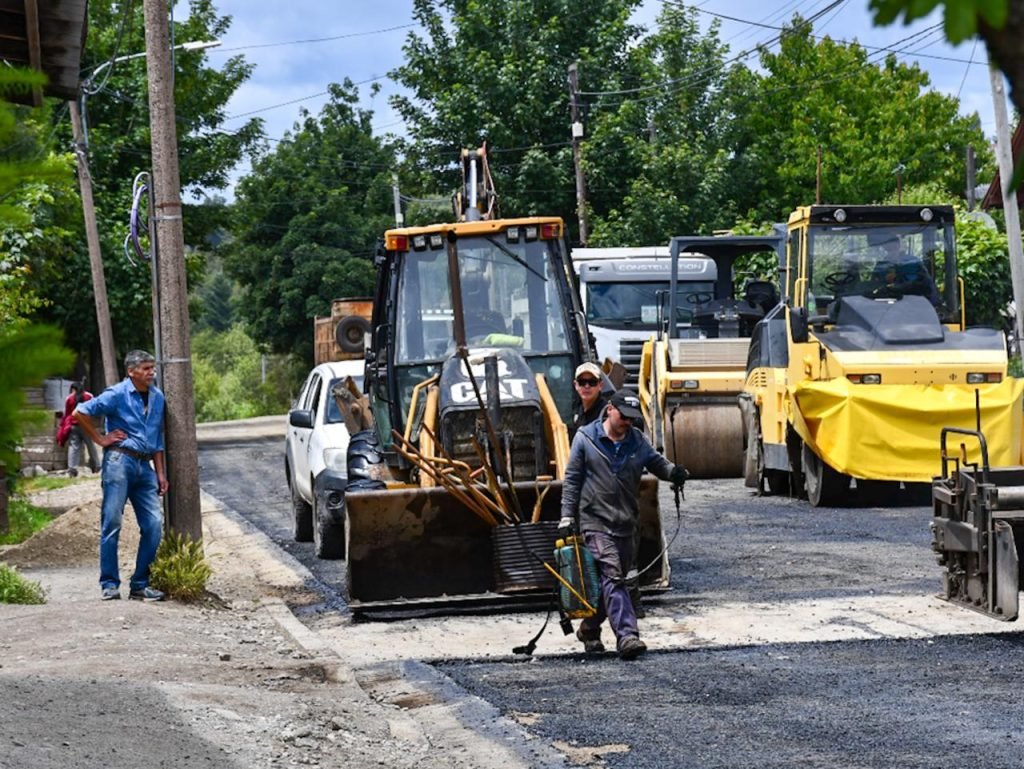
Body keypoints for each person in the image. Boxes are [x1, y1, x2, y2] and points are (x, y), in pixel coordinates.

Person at [559, 390, 689, 660]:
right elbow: (571, 481)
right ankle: (628, 635)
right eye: (623, 417)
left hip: (626, 523)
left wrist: (673, 472)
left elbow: (656, 463)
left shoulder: (637, 442)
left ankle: (589, 629)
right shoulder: (586, 438)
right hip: (594, 520)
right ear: (609, 410)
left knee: (611, 581)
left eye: (632, 419)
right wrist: (567, 517)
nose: (627, 423)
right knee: (613, 574)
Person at [73, 350, 168, 602]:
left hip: (144, 468)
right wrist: (100, 439)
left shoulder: (158, 398)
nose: (152, 372)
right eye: (146, 368)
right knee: (112, 522)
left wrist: (160, 474)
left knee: (154, 524)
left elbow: (157, 439)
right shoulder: (116, 394)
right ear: (131, 371)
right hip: (119, 462)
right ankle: (109, 583)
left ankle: (139, 584)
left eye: (152, 368)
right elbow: (79, 412)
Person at [870, 236, 940, 305]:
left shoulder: (913, 262)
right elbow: (873, 285)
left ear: (899, 245)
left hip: (914, 303)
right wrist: (884, 282)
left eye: (894, 244)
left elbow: (927, 284)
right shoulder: (881, 265)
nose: (891, 247)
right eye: (888, 245)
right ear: (884, 246)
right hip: (886, 304)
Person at [63, 382, 100, 476]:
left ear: (73, 389)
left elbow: (67, 414)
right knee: (91, 445)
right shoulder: (89, 396)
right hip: (86, 425)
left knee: (73, 447)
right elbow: (94, 408)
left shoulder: (69, 398)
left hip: (74, 426)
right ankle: (96, 466)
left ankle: (72, 469)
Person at [569, 361, 610, 438]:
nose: (587, 386)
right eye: (582, 382)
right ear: (575, 385)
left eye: (592, 382)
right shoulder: (576, 410)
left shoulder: (607, 412)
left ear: (601, 385)